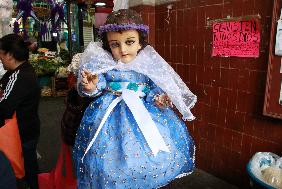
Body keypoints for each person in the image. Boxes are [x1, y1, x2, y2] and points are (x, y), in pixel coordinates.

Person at [73, 9, 197, 189]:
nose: (123, 49)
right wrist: (91, 87)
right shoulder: (106, 64)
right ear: (108, 45)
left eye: (129, 42)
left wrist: (159, 97)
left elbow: (153, 88)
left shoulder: (148, 64)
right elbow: (98, 84)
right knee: (109, 160)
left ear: (140, 43)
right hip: (110, 116)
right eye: (115, 44)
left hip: (146, 114)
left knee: (150, 157)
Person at [0, 33, 41, 189]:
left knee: (26, 169)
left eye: (1, 54)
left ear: (10, 55)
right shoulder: (20, 72)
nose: (0, 59)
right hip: (26, 130)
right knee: (28, 165)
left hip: (21, 133)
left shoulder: (20, 76)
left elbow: (5, 108)